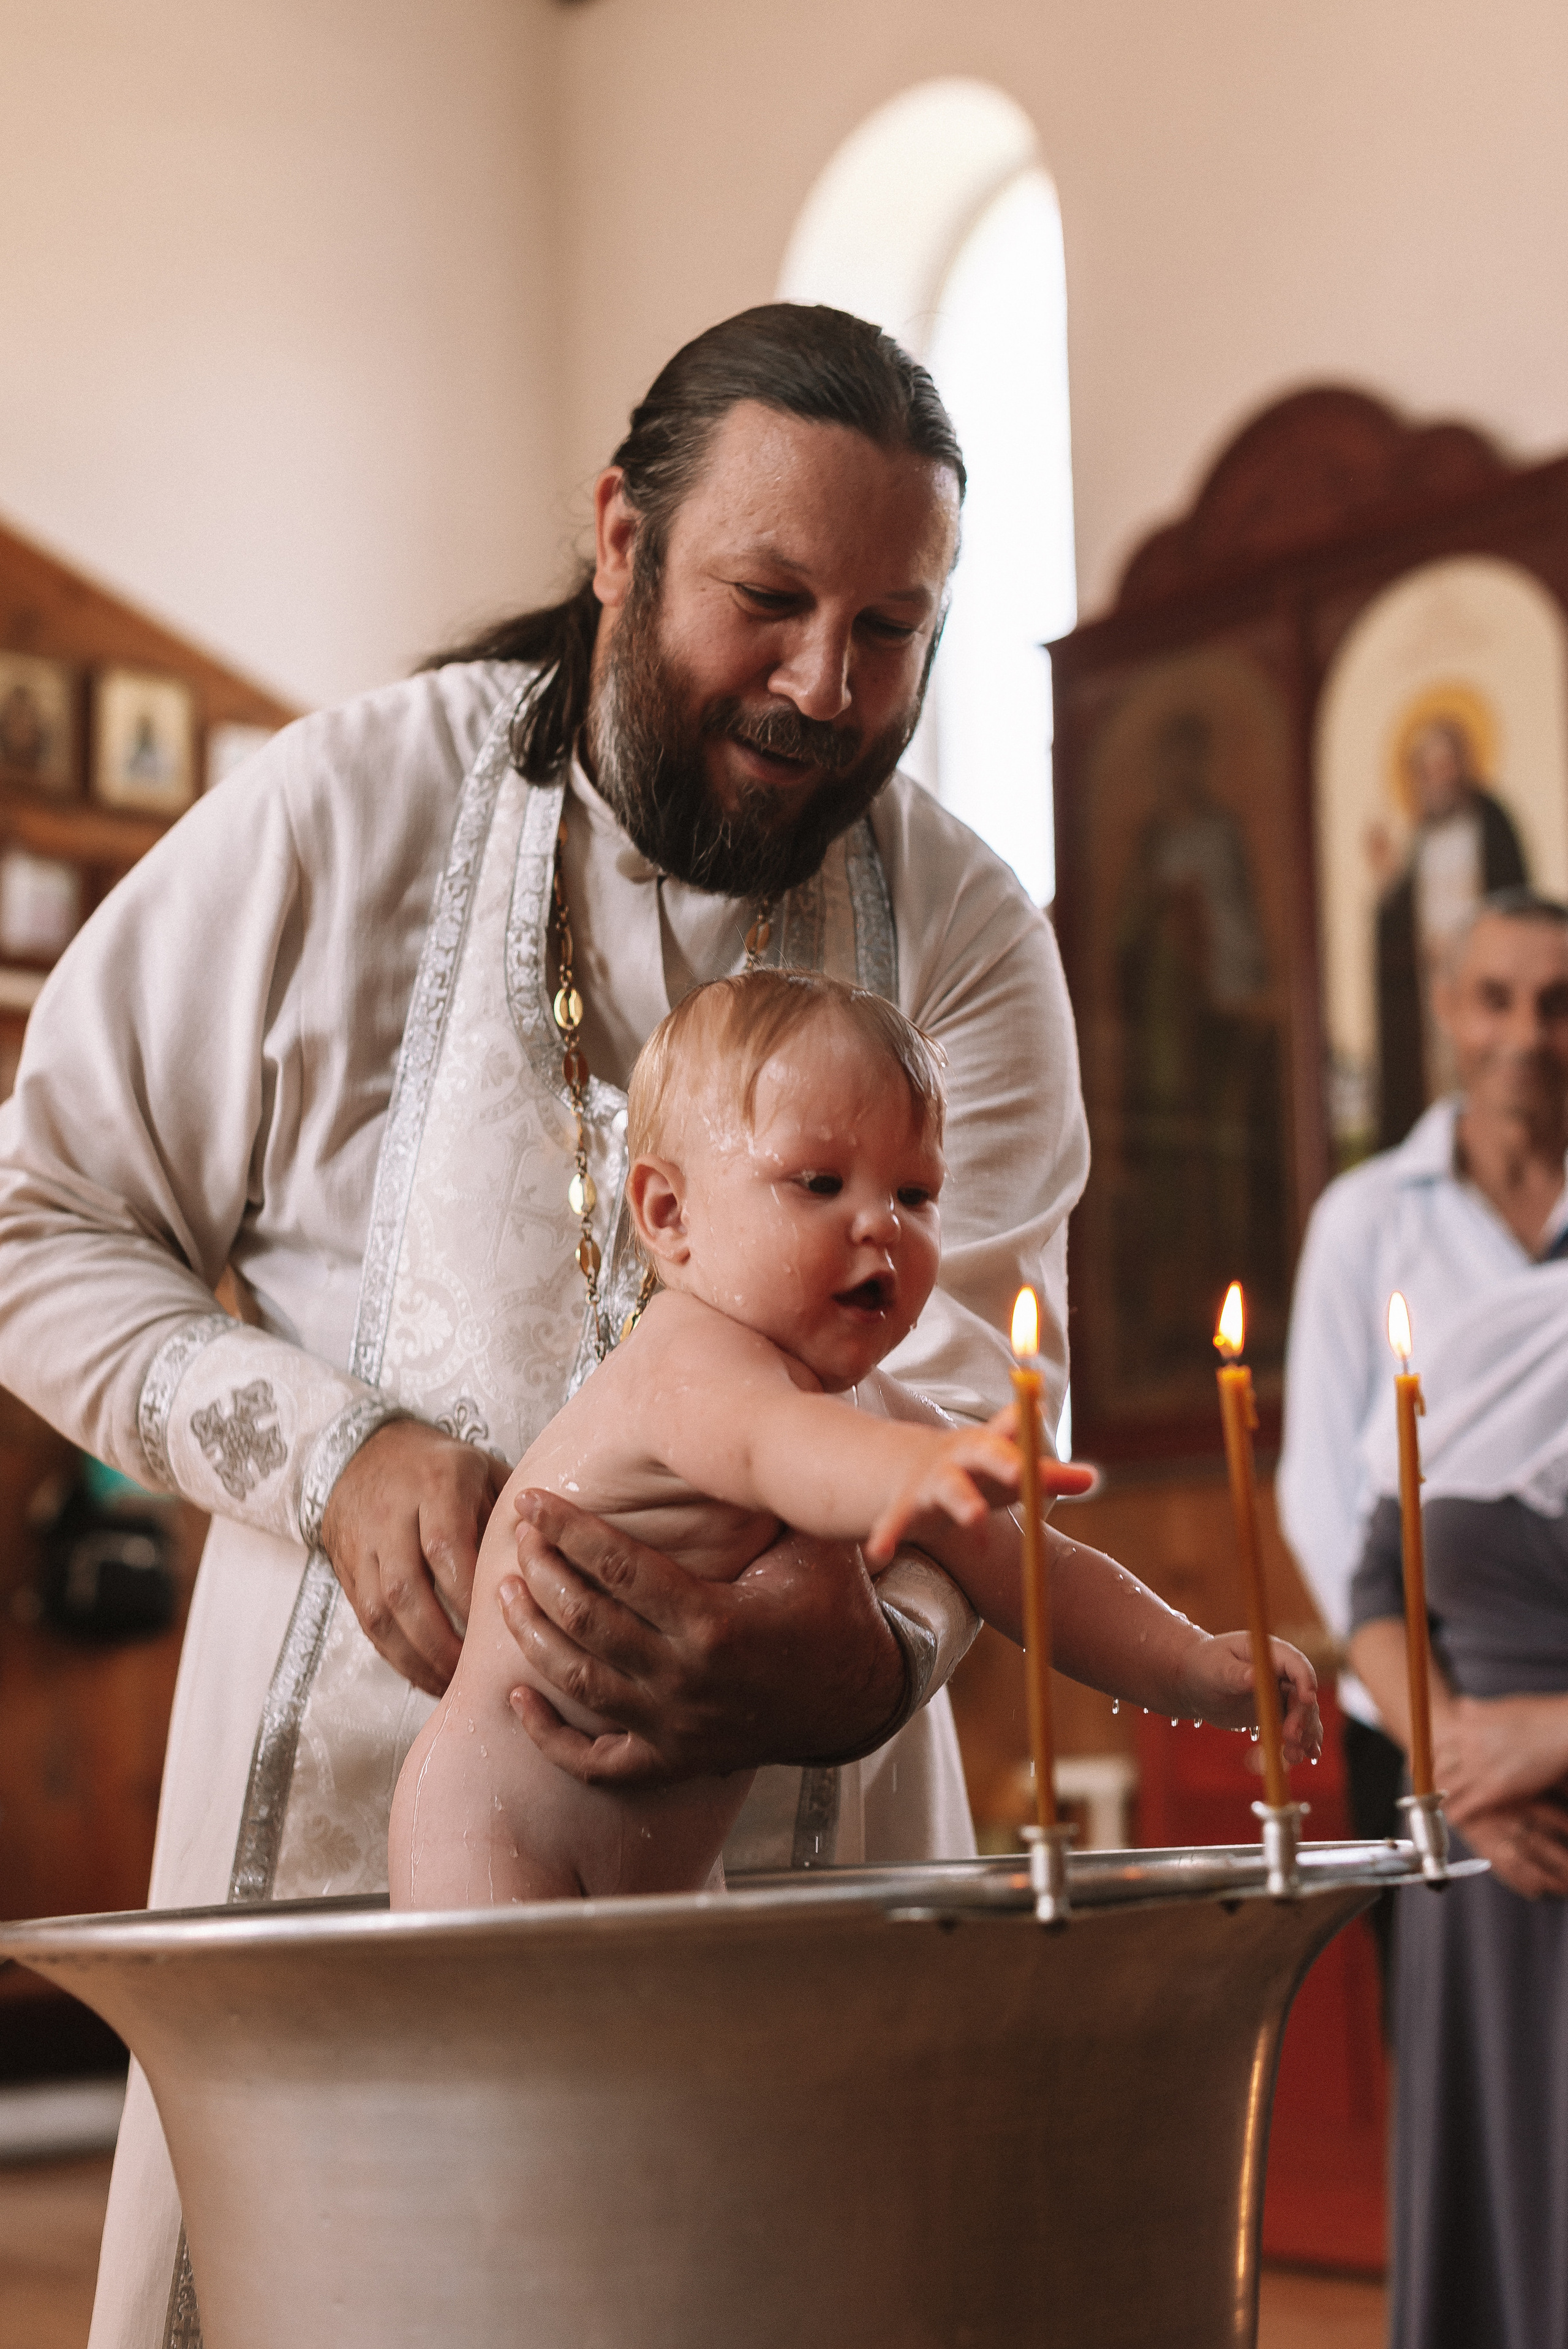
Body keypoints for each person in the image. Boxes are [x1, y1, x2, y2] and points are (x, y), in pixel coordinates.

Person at [0, 304, 1089, 2348]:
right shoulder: (343, 813)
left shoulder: (962, 938)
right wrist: (337, 1460)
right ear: (618, 534)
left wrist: (861, 1648)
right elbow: (33, 1217)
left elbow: (986, 1401)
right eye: (767, 599)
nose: (823, 687)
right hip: (338, 1841)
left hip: (793, 1877)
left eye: (891, 629)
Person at [391, 970, 1317, 1907]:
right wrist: (933, 1464)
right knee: (515, 2057)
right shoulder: (687, 1359)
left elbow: (1034, 1569)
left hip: (661, 1865)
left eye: (915, 1194)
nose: (880, 1221)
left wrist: (1197, 1665)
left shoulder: (870, 1407)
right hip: (495, 1829)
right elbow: (778, 1449)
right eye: (820, 1182)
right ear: (670, 1215)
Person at [1278, 887, 1568, 1981]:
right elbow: (1322, 1496)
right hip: (1411, 1715)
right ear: (1447, 1005)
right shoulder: (1368, 1218)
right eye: (1496, 998)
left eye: (1558, 1003)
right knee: (1461, 2053)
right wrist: (1451, 1754)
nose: (1528, 1035)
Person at [1348, 1266, 1568, 2349]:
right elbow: (1378, 1590)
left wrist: (1555, 1730)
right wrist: (1452, 1758)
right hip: (1481, 1868)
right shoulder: (1496, 1324)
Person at [1373, 717, 1527, 1149]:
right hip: (1434, 983)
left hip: (1490, 975)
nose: (1442, 777)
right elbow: (1399, 918)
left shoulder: (1493, 824)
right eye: (1431, 768)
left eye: (1448, 765)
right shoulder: (1419, 840)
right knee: (1438, 1071)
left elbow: (1515, 900)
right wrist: (1387, 888)